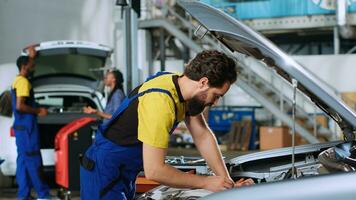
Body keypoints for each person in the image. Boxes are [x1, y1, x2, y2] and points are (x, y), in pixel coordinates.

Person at [80, 50, 254, 200]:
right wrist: (206, 182)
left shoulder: (179, 85)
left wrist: (226, 183)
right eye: (216, 95)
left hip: (123, 170)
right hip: (104, 172)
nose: (215, 102)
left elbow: (202, 135)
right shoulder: (160, 102)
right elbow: (155, 171)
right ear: (203, 82)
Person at [11, 47, 55, 199]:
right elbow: (20, 105)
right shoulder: (23, 82)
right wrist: (38, 111)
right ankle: (43, 194)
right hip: (27, 130)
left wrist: (31, 56)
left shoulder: (17, 80)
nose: (34, 66)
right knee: (34, 160)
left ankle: (23, 195)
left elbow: (19, 106)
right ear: (24, 66)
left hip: (21, 128)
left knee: (23, 163)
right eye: (31, 64)